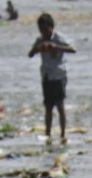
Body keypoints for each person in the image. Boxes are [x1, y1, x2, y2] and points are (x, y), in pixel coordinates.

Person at [28, 13, 74, 145]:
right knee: (48, 107)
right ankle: (47, 133)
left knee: (60, 105)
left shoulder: (58, 38)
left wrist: (56, 47)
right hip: (46, 75)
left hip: (58, 75)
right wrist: (38, 48)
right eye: (41, 30)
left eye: (45, 29)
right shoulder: (40, 40)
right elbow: (30, 54)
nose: (43, 32)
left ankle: (63, 133)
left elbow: (72, 49)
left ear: (51, 27)